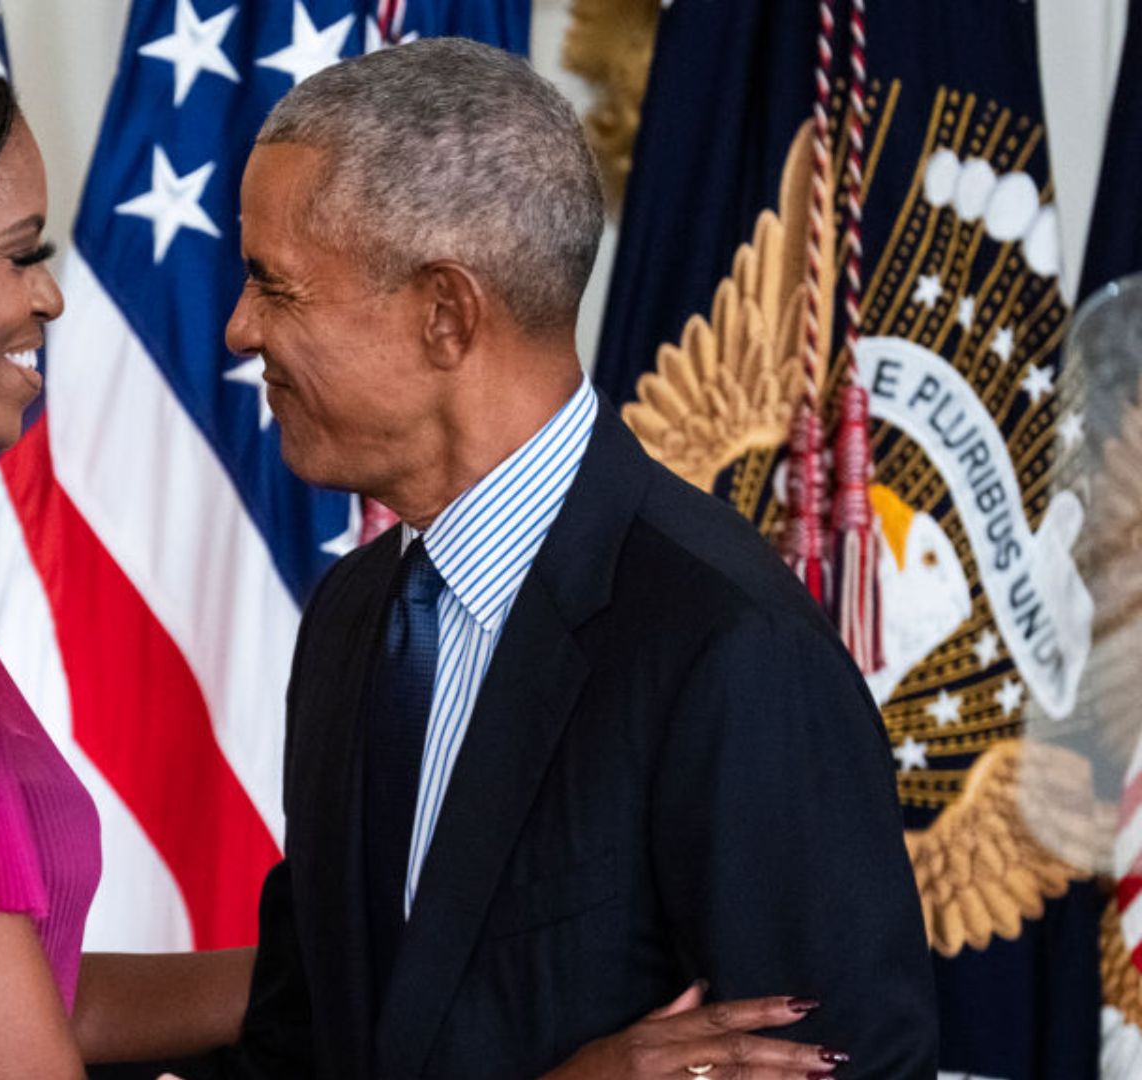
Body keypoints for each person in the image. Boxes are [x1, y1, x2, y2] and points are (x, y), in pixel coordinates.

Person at [0, 18, 853, 1080]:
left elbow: (13, 993)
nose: (52, 297)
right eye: (23, 252)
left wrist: (413, 985)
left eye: (279, 288)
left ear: (446, 311)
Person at [214, 38, 939, 1080]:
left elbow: (847, 1067)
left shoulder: (728, 645)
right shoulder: (352, 616)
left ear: (445, 314)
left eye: (275, 288)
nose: (241, 330)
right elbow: (307, 1046)